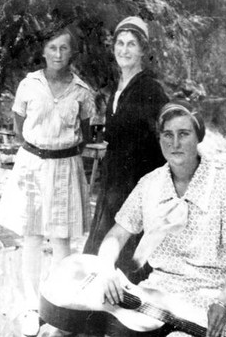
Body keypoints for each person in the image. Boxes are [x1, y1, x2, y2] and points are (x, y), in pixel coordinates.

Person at [96, 100, 226, 337]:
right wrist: (106, 268)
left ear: (198, 138)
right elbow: (116, 236)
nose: (175, 143)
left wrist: (224, 301)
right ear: (159, 139)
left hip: (211, 298)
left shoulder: (222, 189)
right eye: (168, 134)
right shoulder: (150, 185)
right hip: (158, 293)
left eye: (184, 134)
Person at [0, 24, 95, 337]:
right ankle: (30, 307)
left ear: (72, 52)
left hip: (66, 165)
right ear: (43, 50)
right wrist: (40, 149)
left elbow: (86, 133)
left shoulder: (81, 91)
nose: (58, 54)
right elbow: (19, 125)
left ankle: (57, 311)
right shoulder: (29, 85)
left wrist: (61, 151)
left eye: (64, 48)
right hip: (32, 164)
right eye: (52, 47)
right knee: (33, 238)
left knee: (62, 240)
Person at [84, 16, 168, 281]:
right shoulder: (118, 88)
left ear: (143, 50)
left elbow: (164, 135)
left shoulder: (151, 89)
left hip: (138, 181)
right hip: (114, 181)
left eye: (132, 44)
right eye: (120, 43)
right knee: (105, 243)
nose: (124, 49)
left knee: (129, 251)